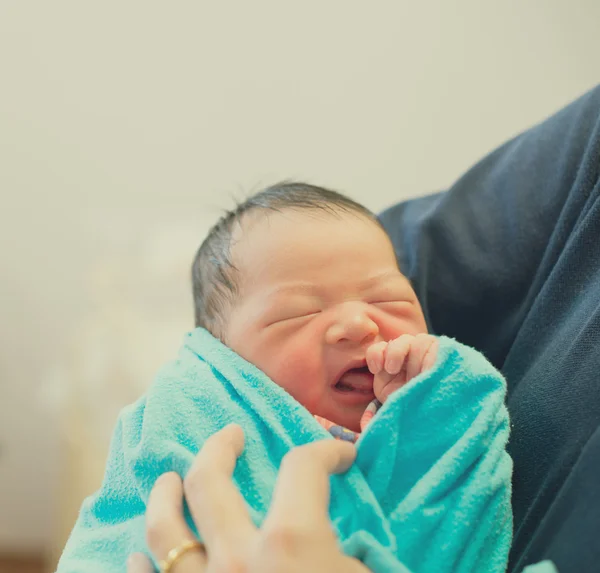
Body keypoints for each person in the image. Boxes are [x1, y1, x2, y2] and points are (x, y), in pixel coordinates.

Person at [56, 183, 513, 572]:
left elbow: (439, 505)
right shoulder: (198, 408)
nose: (359, 323)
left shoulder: (424, 404)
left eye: (390, 302)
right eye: (299, 314)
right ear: (224, 358)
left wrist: (423, 411)